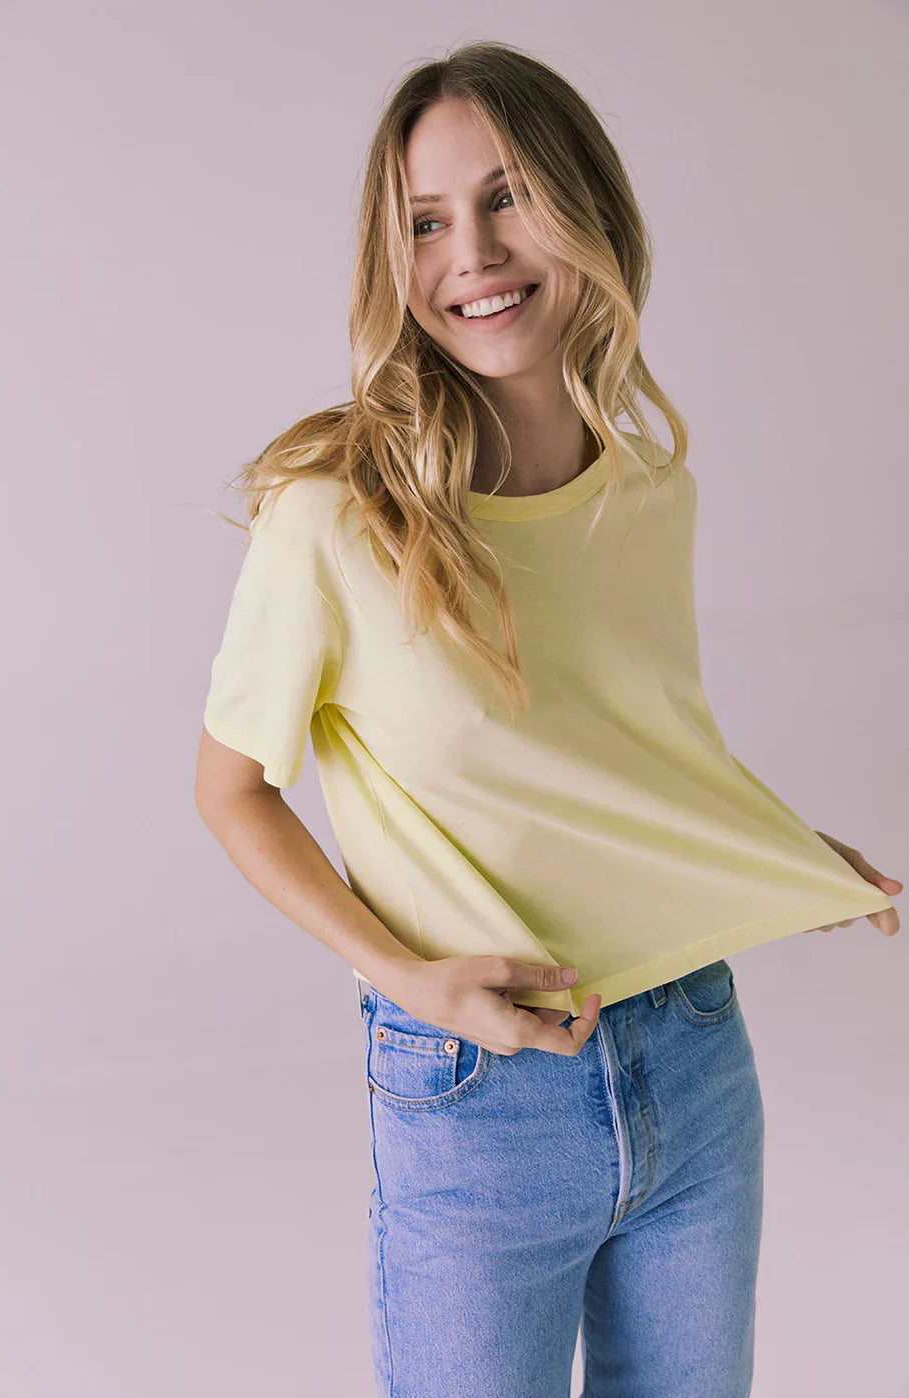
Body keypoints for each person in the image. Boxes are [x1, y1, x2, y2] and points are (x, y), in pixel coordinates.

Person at [194, 40, 901, 1398]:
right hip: (475, 1099)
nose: (473, 252)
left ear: (590, 211)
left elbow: (630, 749)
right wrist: (405, 977)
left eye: (508, 196)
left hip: (694, 1056)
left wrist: (772, 852)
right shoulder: (335, 515)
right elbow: (231, 789)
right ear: (391, 259)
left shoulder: (647, 487)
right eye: (425, 221)